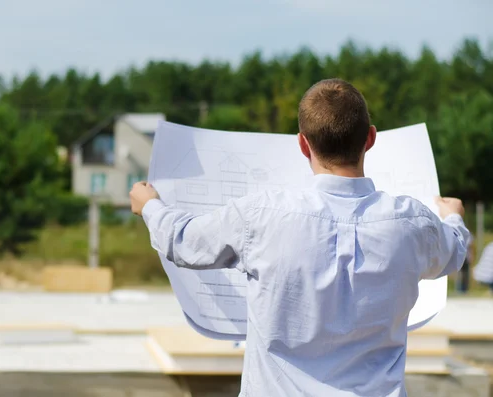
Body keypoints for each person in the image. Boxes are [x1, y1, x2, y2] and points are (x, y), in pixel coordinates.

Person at [129, 79, 469, 397]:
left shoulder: (263, 215)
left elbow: (185, 242)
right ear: (370, 138)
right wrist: (454, 215)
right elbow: (454, 252)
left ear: (303, 143)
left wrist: (150, 207)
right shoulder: (411, 222)